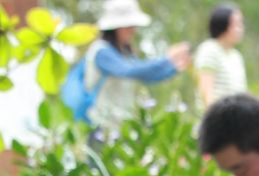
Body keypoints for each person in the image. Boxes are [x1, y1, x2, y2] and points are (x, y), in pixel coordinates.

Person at [77, 0, 191, 136]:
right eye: (129, 26)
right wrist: (167, 59)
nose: (133, 30)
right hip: (102, 127)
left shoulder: (124, 53)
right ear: (116, 27)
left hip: (121, 126)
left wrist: (173, 67)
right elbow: (129, 71)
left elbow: (146, 75)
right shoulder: (102, 52)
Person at [194, 4, 246, 107]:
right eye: (237, 24)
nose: (240, 29)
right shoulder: (209, 49)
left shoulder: (236, 56)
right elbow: (206, 92)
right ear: (223, 25)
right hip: (216, 118)